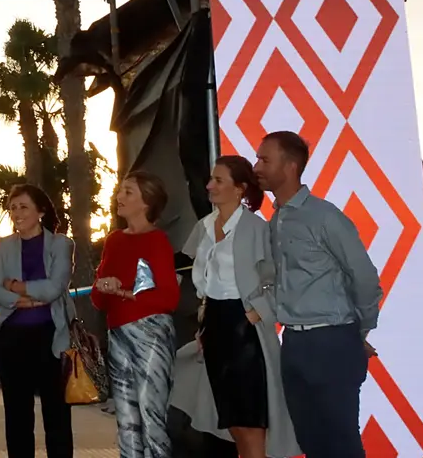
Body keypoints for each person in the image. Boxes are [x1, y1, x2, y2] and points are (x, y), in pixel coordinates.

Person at [254, 132, 382, 458]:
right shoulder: (276, 220)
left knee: (341, 444)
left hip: (332, 343)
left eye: (265, 160)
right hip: (294, 344)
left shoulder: (325, 216)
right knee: (311, 442)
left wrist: (358, 330)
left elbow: (365, 277)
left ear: (291, 165)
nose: (257, 167)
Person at [171, 156, 299, 458]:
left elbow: (282, 276)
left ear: (240, 189)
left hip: (246, 332)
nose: (209, 185)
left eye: (218, 180)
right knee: (234, 425)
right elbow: (199, 279)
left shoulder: (256, 228)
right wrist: (204, 323)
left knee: (251, 423)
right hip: (215, 325)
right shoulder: (203, 227)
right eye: (211, 179)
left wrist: (258, 312)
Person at [92, 171, 179, 458]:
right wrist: (106, 287)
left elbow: (169, 297)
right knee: (126, 421)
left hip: (151, 335)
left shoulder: (157, 241)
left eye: (128, 192)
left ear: (147, 201)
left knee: (152, 417)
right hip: (117, 334)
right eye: (120, 191)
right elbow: (97, 299)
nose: (119, 197)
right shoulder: (114, 240)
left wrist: (125, 294)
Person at [0, 184, 74, 458]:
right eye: (12, 208)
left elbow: (54, 288)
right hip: (11, 340)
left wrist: (15, 285)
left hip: (52, 338)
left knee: (57, 418)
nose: (16, 213)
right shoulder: (2, 246)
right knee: (17, 420)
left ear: (41, 210)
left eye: (23, 206)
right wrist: (26, 298)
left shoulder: (62, 244)